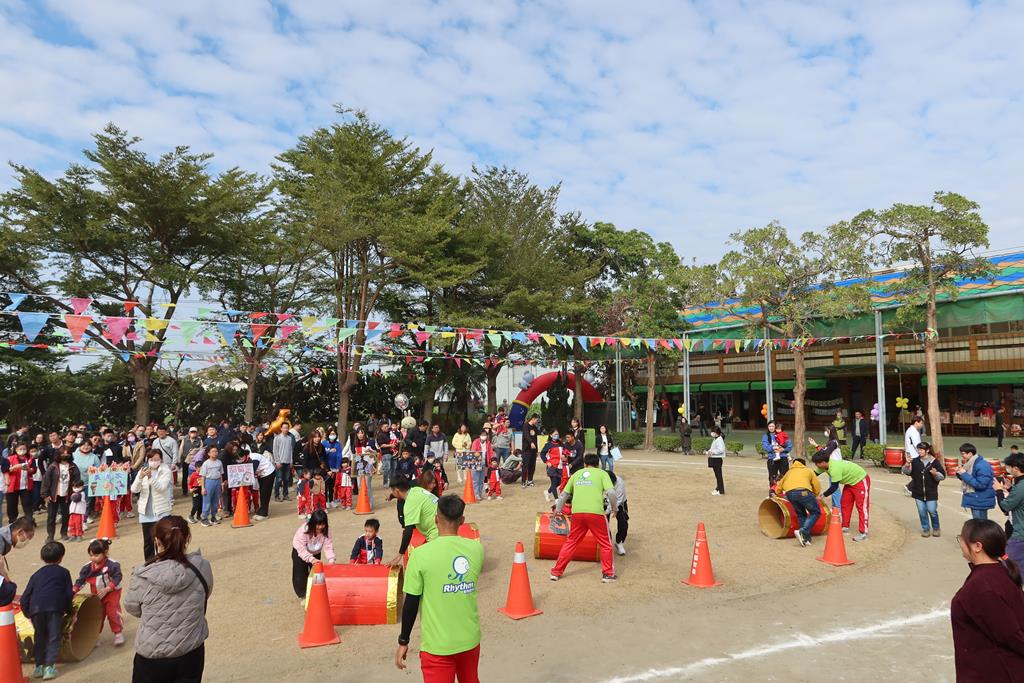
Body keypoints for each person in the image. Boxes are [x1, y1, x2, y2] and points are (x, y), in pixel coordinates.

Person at [396, 494, 483, 682]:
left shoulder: (419, 555)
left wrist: (404, 640)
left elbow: (411, 602)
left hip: (437, 646)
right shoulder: (476, 549)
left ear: (436, 519)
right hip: (470, 640)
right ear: (462, 520)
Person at [125, 515, 213, 683]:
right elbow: (205, 593)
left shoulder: (143, 575)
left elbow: (132, 607)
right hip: (191, 649)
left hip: (153, 654)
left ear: (157, 541)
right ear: (186, 538)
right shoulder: (202, 567)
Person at [950, 519, 1024, 681]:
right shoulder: (1000, 571)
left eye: (962, 538)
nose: (960, 542)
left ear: (977, 546)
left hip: (993, 673)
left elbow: (1011, 635)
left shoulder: (983, 587)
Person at [549, 453, 618, 583]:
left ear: (585, 464)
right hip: (596, 513)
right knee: (605, 544)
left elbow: (564, 494)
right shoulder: (602, 473)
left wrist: (558, 509)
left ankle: (556, 572)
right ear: (598, 464)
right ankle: (608, 574)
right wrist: (615, 508)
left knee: (571, 542)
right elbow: (611, 492)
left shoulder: (576, 474)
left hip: (577, 513)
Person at [21, 541, 73, 680]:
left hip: (36, 609)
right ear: (61, 557)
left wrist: (28, 613)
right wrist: (70, 611)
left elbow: (25, 597)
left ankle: (39, 667)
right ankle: (49, 667)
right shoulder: (64, 573)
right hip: (54, 608)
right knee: (54, 637)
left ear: (42, 558)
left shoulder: (36, 575)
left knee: (40, 637)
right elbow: (68, 594)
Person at [73, 538, 124, 646]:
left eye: (96, 555)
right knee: (97, 615)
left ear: (105, 553)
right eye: (91, 555)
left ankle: (118, 632)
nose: (93, 558)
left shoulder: (112, 565)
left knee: (112, 612)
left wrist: (108, 588)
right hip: (97, 594)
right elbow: (81, 580)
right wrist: (74, 590)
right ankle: (95, 635)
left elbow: (117, 577)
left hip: (112, 592)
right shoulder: (87, 568)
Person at [812, 451, 871, 542]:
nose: (816, 465)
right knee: (845, 504)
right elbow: (813, 474)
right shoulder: (823, 466)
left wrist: (822, 495)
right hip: (849, 483)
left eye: (817, 463)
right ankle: (845, 527)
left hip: (860, 480)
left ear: (823, 462)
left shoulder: (835, 468)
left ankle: (864, 533)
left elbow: (834, 487)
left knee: (862, 506)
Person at [130, 449, 173, 561]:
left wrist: (150, 478)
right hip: (146, 512)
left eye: (156, 459)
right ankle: (149, 563)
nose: (154, 462)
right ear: (147, 460)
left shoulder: (165, 471)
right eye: (151, 459)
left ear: (161, 460)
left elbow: (161, 488)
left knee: (163, 540)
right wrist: (140, 478)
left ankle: (164, 561)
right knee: (148, 542)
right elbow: (134, 489)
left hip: (161, 511)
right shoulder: (143, 470)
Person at [388, 479, 439, 566]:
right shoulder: (417, 490)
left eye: (392, 491)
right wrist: (392, 496)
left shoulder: (409, 504)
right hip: (444, 528)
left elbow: (408, 531)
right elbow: (400, 493)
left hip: (436, 534)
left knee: (424, 563)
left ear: (396, 490)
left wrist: (400, 554)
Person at [774, 458, 821, 547]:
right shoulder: (808, 470)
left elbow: (778, 488)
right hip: (804, 492)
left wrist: (781, 495)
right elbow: (816, 485)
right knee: (815, 512)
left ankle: (805, 539)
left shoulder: (788, 472)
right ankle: (803, 531)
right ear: (804, 464)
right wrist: (815, 494)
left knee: (801, 515)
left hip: (790, 494)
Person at [902, 441, 946, 537]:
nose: (920, 451)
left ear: (927, 450)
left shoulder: (934, 462)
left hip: (931, 492)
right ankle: (925, 529)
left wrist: (935, 474)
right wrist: (907, 464)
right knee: (922, 512)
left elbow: (943, 476)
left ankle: (936, 528)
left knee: (932, 511)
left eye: (922, 450)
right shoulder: (915, 461)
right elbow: (906, 472)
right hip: (918, 492)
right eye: (919, 449)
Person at [291, 509, 335, 599]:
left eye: (323, 524)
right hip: (300, 553)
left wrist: (331, 559)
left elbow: (328, 546)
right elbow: (301, 549)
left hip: (315, 551)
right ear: (312, 523)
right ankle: (303, 595)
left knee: (317, 572)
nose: (320, 527)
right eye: (318, 525)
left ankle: (316, 593)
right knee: (300, 574)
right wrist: (311, 559)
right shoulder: (304, 530)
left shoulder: (326, 531)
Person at [40, 447, 80, 543]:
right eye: (63, 453)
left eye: (67, 453)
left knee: (66, 515)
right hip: (54, 495)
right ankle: (50, 535)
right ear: (58, 454)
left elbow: (77, 480)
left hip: (67, 495)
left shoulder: (73, 466)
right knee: (51, 516)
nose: (65, 455)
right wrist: (45, 494)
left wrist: (76, 492)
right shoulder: (53, 466)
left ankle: (64, 533)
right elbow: (46, 481)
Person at [995, 451, 1024, 568]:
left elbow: (1005, 506)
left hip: (1020, 533)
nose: (1008, 469)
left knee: (1008, 564)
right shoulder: (1019, 485)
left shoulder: (1021, 486)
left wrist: (999, 490)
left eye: (1010, 467)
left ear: (1016, 468)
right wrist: (1011, 489)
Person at [956, 443, 995, 520]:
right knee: (978, 523)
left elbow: (981, 484)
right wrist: (959, 473)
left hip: (980, 499)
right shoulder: (970, 464)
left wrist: (964, 474)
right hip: (976, 498)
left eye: (963, 454)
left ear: (970, 453)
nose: (962, 456)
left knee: (980, 524)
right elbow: (969, 479)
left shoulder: (982, 465)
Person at [5, 442, 36, 521]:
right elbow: (5, 470)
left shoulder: (30, 458)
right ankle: (12, 521)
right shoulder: (10, 458)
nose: (22, 450)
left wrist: (28, 469)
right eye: (20, 449)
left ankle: (29, 521)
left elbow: (34, 470)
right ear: (16, 449)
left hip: (26, 486)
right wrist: (15, 467)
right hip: (12, 486)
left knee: (27, 505)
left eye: (24, 449)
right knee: (12, 506)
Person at [198, 446, 224, 527]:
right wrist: (203, 488)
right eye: (213, 451)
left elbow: (221, 474)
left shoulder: (219, 462)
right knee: (207, 501)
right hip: (209, 482)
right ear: (209, 453)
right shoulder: (206, 463)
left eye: (216, 451)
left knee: (215, 501)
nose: (215, 453)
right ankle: (204, 518)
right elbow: (203, 476)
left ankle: (213, 517)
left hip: (217, 482)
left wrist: (221, 484)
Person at [761, 421, 791, 491]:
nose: (771, 428)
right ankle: (773, 491)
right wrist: (773, 447)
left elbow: (789, 446)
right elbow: (765, 447)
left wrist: (783, 450)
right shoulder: (766, 436)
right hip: (772, 459)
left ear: (776, 427)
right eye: (769, 426)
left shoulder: (783, 434)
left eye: (773, 426)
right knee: (772, 476)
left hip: (783, 458)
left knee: (785, 476)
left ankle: (784, 491)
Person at [540, 432, 567, 503]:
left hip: (560, 466)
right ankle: (556, 499)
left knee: (559, 482)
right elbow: (542, 454)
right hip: (552, 466)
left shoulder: (561, 443)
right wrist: (547, 462)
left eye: (557, 434)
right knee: (554, 482)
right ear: (551, 435)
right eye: (555, 434)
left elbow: (565, 451)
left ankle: (547, 492)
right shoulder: (548, 444)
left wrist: (565, 456)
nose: (556, 435)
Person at [607, 471, 628, 556]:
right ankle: (607, 543)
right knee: (603, 524)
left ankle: (619, 542)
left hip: (620, 503)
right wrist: (606, 511)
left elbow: (618, 500)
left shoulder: (620, 483)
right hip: (604, 502)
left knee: (623, 523)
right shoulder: (600, 481)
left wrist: (612, 510)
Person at [272, 422, 295, 502]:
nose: (285, 429)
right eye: (284, 428)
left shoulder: (289, 438)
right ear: (281, 428)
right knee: (279, 479)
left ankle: (285, 495)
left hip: (287, 462)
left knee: (286, 479)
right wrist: (277, 461)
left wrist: (291, 461)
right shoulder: (277, 438)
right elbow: (275, 450)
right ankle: (277, 496)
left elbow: (290, 450)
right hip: (280, 462)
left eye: (287, 428)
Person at [519, 416, 539, 488]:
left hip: (533, 450)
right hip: (526, 450)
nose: (537, 422)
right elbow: (526, 435)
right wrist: (531, 442)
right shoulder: (525, 425)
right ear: (533, 419)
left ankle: (530, 480)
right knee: (525, 466)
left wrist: (536, 450)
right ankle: (523, 481)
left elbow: (536, 438)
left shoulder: (534, 427)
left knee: (532, 466)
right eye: (537, 420)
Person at [706, 426, 726, 496]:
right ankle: (718, 488)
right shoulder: (716, 439)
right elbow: (714, 448)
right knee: (717, 476)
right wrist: (709, 451)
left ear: (716, 433)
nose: (711, 433)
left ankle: (721, 491)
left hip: (717, 459)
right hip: (715, 459)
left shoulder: (719, 439)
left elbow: (721, 450)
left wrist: (712, 452)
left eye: (713, 432)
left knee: (719, 476)